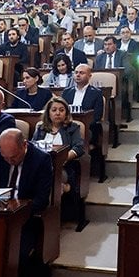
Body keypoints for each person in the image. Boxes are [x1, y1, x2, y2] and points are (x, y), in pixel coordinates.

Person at [0, 128, 55, 277]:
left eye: (13, 157)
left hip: (25, 220)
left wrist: (18, 210)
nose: (9, 161)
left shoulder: (41, 159)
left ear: (24, 145)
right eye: (5, 157)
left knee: (13, 252)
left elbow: (41, 200)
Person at [32, 96, 87, 225]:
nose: (58, 113)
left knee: (49, 178)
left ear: (66, 113)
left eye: (61, 110)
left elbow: (79, 148)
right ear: (48, 113)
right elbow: (33, 146)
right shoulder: (40, 128)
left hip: (63, 167)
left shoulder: (73, 128)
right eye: (54, 110)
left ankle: (47, 216)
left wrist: (62, 158)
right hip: (41, 167)